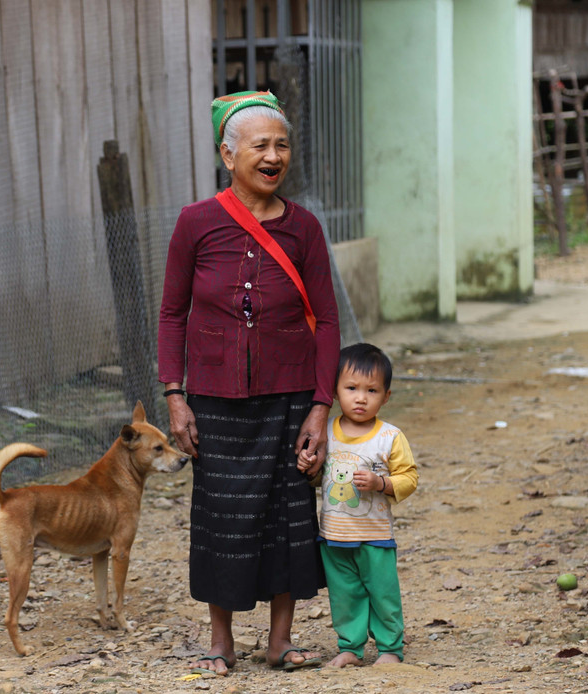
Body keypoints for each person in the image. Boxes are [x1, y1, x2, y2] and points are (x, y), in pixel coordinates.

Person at [157, 90, 340, 675]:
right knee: (224, 520)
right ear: (228, 154)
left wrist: (320, 407)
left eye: (282, 145)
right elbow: (172, 314)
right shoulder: (196, 223)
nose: (274, 156)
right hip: (215, 400)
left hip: (290, 398)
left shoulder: (304, 228)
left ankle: (280, 641)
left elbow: (327, 320)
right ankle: (221, 642)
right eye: (261, 145)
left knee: (287, 516)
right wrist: (175, 395)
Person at [298, 342, 419, 668]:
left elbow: (409, 477)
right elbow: (319, 478)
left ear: (386, 396)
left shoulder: (389, 437)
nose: (361, 398)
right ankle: (350, 647)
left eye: (372, 390)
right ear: (335, 391)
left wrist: (381, 483)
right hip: (334, 536)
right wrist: (308, 467)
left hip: (375, 536)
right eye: (351, 388)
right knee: (344, 595)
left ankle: (390, 649)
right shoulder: (325, 432)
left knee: (383, 594)